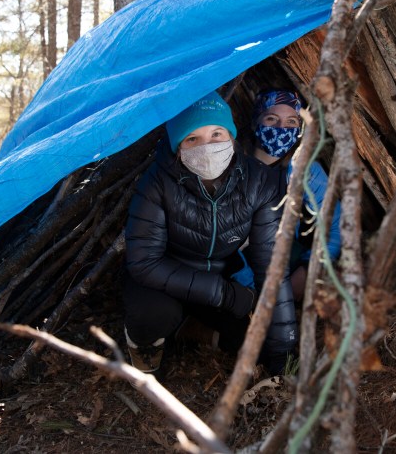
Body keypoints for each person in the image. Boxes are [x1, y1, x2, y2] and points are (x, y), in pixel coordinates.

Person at [123, 91, 297, 376]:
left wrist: (284, 350)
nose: (207, 146)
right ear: (178, 146)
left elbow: (272, 265)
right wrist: (225, 295)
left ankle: (193, 330)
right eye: (193, 139)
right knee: (153, 315)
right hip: (162, 282)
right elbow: (145, 263)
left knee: (264, 345)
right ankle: (145, 357)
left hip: (218, 279)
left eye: (217, 133)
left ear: (231, 137)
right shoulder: (157, 183)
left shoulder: (258, 181)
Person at [242, 89, 341, 302]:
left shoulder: (303, 169)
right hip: (237, 264)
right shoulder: (232, 166)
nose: (281, 129)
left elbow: (334, 222)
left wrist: (309, 269)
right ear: (255, 122)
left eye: (291, 122)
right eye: (271, 118)